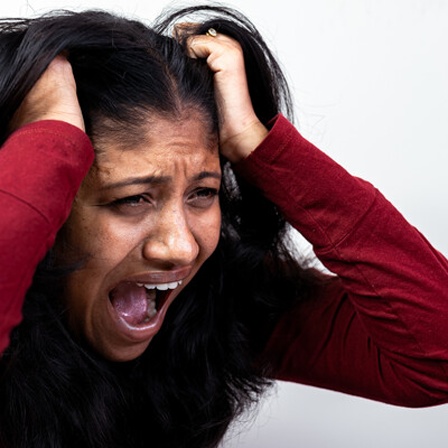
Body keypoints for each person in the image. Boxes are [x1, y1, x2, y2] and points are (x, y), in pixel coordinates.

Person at [0, 5, 447, 448]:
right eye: (131, 199)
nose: (180, 247)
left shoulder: (216, 303)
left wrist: (263, 147)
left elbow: (437, 355)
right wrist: (52, 137)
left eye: (203, 193)